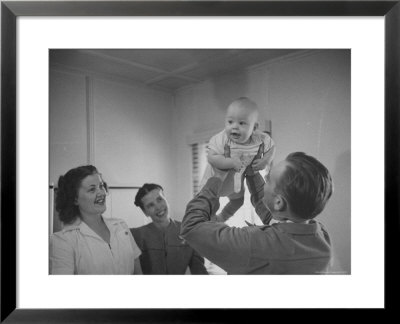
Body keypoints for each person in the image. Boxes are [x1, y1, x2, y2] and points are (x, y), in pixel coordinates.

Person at [181, 152, 334, 274]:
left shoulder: (253, 243)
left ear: (279, 202)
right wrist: (252, 174)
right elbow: (273, 215)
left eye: (269, 180)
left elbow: (192, 227)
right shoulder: (321, 234)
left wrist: (216, 179)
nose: (265, 180)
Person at [50, 165, 142, 275]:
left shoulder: (121, 226)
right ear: (75, 199)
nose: (102, 193)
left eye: (101, 186)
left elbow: (138, 272)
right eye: (92, 189)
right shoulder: (63, 241)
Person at [200, 97, 275, 223]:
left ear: (255, 127)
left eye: (241, 123)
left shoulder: (260, 138)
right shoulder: (222, 138)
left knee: (238, 201)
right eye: (230, 122)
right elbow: (211, 157)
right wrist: (228, 162)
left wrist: (265, 161)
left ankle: (221, 218)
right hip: (216, 182)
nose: (234, 127)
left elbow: (271, 147)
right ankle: (204, 224)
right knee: (207, 206)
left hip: (235, 183)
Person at [131, 183, 208, 275]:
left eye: (160, 199)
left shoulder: (189, 232)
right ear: (145, 212)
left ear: (166, 199)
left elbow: (199, 271)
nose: (158, 207)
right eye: (151, 205)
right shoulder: (136, 236)